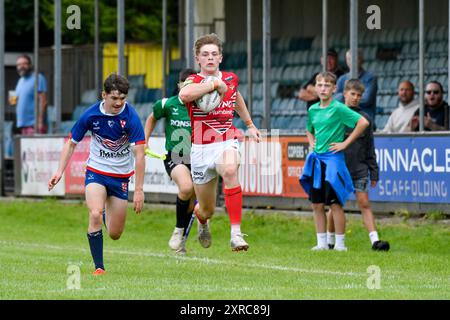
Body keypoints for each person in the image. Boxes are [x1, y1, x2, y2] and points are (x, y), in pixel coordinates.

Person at [48, 73, 145, 275]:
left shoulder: (131, 117)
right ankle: (99, 267)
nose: (119, 103)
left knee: (115, 234)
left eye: (122, 98)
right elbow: (71, 144)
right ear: (104, 95)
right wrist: (59, 171)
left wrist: (139, 190)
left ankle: (103, 211)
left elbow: (140, 155)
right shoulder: (90, 115)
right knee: (93, 214)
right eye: (114, 98)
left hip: (120, 178)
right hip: (96, 172)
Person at [179, 33, 261, 252]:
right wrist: (214, 85)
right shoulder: (192, 81)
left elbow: (236, 97)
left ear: (221, 58)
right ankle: (202, 221)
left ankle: (235, 234)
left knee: (230, 169)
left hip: (225, 141)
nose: (210, 58)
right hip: (200, 149)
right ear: (197, 58)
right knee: (207, 210)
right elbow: (185, 95)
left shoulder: (231, 78)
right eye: (205, 54)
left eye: (214, 54)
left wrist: (250, 124)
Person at [299, 71, 369, 251]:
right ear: (315, 87)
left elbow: (363, 123)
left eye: (327, 85)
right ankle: (321, 243)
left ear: (334, 88)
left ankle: (340, 244)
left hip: (333, 161)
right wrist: (311, 143)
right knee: (316, 204)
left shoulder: (338, 108)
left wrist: (345, 143)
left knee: (335, 204)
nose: (322, 89)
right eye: (319, 85)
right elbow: (309, 129)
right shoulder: (312, 109)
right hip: (317, 161)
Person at [327, 79, 390, 251]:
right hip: (339, 167)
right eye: (353, 94)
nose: (355, 98)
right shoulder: (335, 114)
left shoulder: (365, 119)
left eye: (359, 95)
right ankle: (330, 241)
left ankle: (375, 241)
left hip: (359, 168)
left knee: (364, 203)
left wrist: (374, 172)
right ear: (344, 93)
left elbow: (370, 147)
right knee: (335, 205)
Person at [144, 68, 197, 254]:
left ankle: (181, 241)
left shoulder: (202, 107)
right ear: (179, 86)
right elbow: (152, 118)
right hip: (176, 156)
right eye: (186, 84)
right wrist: (145, 141)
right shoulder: (167, 104)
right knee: (186, 187)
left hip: (198, 158)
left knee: (192, 204)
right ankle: (178, 229)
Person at [335, 49, 378, 123]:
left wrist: (346, 97)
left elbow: (366, 99)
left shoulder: (370, 78)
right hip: (345, 120)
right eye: (349, 59)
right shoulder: (342, 79)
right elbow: (336, 100)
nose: (351, 62)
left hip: (364, 119)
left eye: (355, 59)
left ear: (361, 60)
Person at [11, 54, 48, 135]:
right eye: (19, 64)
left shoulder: (38, 77)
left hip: (34, 125)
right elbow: (15, 101)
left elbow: (43, 101)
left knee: (36, 147)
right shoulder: (20, 81)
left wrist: (40, 122)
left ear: (30, 65)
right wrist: (13, 100)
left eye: (24, 63)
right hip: (22, 124)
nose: (21, 66)